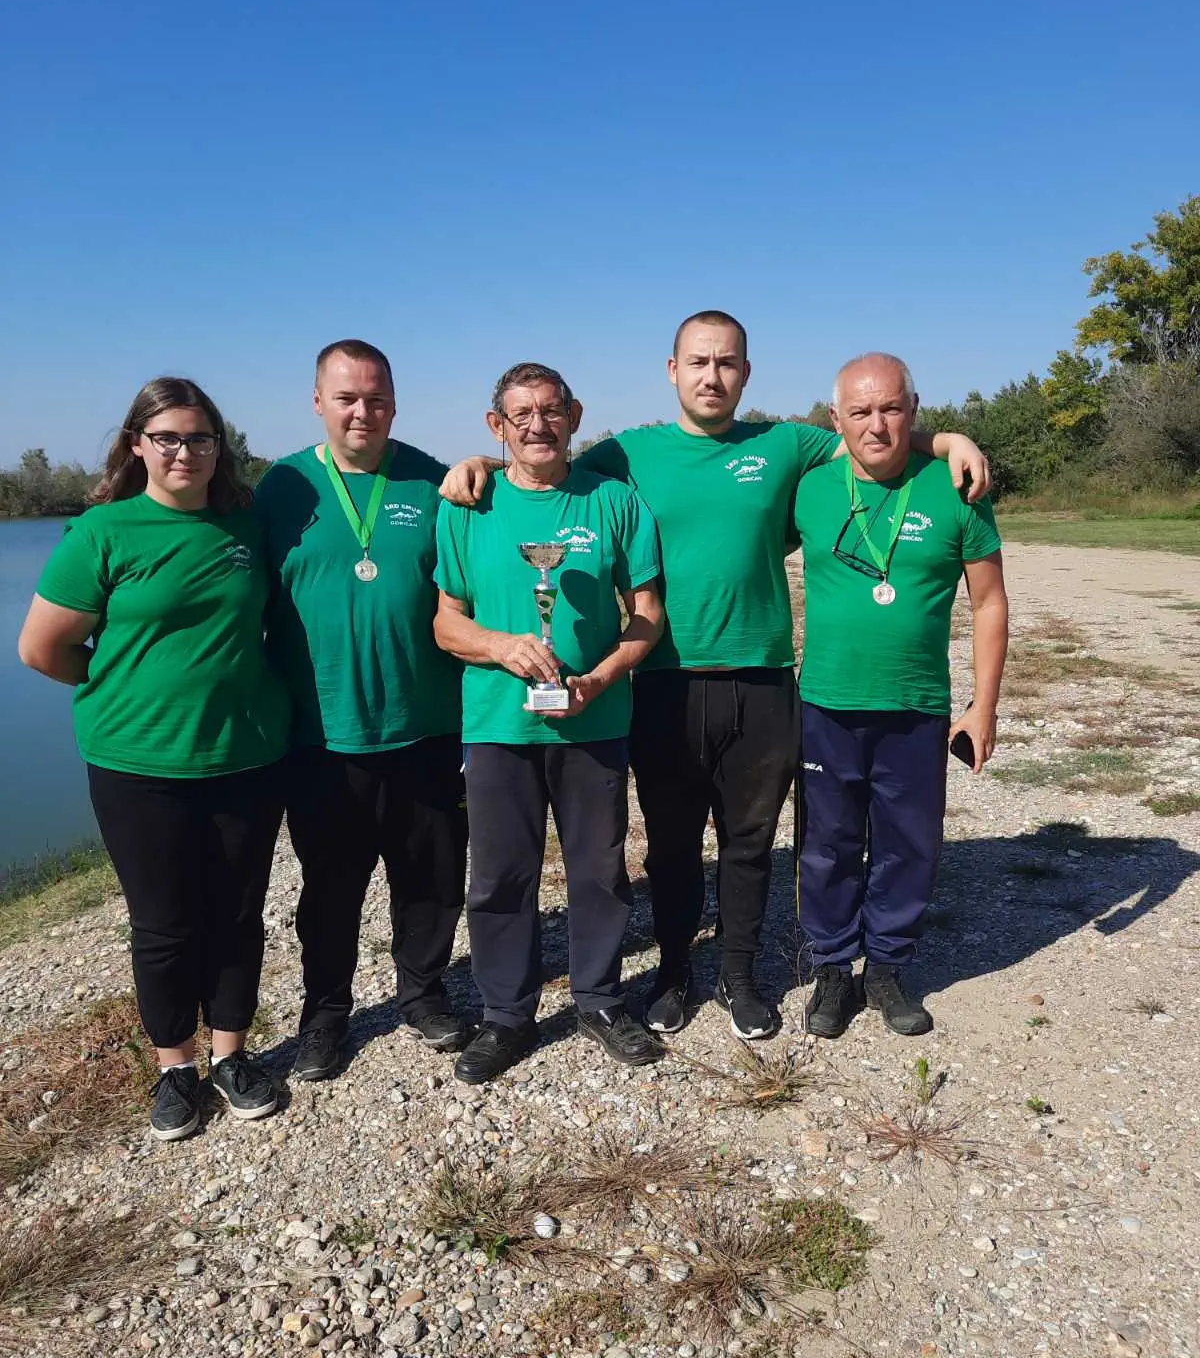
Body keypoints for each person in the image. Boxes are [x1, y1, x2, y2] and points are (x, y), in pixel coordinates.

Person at [441, 313, 990, 1042]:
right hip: (666, 678)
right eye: (698, 362)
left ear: (746, 373)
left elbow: (873, 436)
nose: (712, 376)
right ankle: (673, 972)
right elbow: (541, 465)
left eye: (727, 363)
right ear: (672, 370)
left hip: (762, 678)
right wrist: (474, 462)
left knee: (750, 841)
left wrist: (948, 438)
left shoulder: (785, 444)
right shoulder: (625, 456)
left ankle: (740, 976)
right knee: (670, 842)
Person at [18, 378, 290, 1141]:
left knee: (239, 915)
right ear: (136, 444)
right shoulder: (103, 531)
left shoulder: (244, 528)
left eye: (199, 438)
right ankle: (176, 1069)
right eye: (166, 437)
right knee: (165, 925)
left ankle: (232, 1055)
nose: (183, 452)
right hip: (138, 765)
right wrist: (120, 689)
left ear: (218, 450)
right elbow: (42, 649)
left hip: (246, 754)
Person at [433, 362, 665, 1084]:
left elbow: (649, 616)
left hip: (593, 723)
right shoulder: (469, 505)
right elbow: (445, 625)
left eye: (552, 410)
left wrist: (598, 677)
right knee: (501, 876)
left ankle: (598, 1000)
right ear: (496, 427)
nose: (539, 424)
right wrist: (502, 647)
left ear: (574, 414)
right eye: (521, 414)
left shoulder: (616, 503)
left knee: (599, 871)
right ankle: (506, 1016)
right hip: (499, 726)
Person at [254, 340, 468, 1081]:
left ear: (394, 405)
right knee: (331, 888)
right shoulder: (280, 487)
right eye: (346, 397)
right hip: (321, 733)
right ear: (318, 402)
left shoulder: (433, 480)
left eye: (376, 398)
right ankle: (325, 1015)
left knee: (432, 878)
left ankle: (424, 993)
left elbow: (499, 523)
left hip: (427, 723)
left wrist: (491, 465)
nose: (361, 412)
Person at [794, 353, 1009, 1038]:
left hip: (917, 706)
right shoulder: (808, 487)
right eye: (860, 411)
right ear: (837, 420)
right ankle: (832, 968)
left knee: (908, 843)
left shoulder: (956, 489)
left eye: (891, 408)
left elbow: (989, 604)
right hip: (826, 703)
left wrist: (984, 704)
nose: (877, 424)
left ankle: (885, 965)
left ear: (913, 410)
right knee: (826, 843)